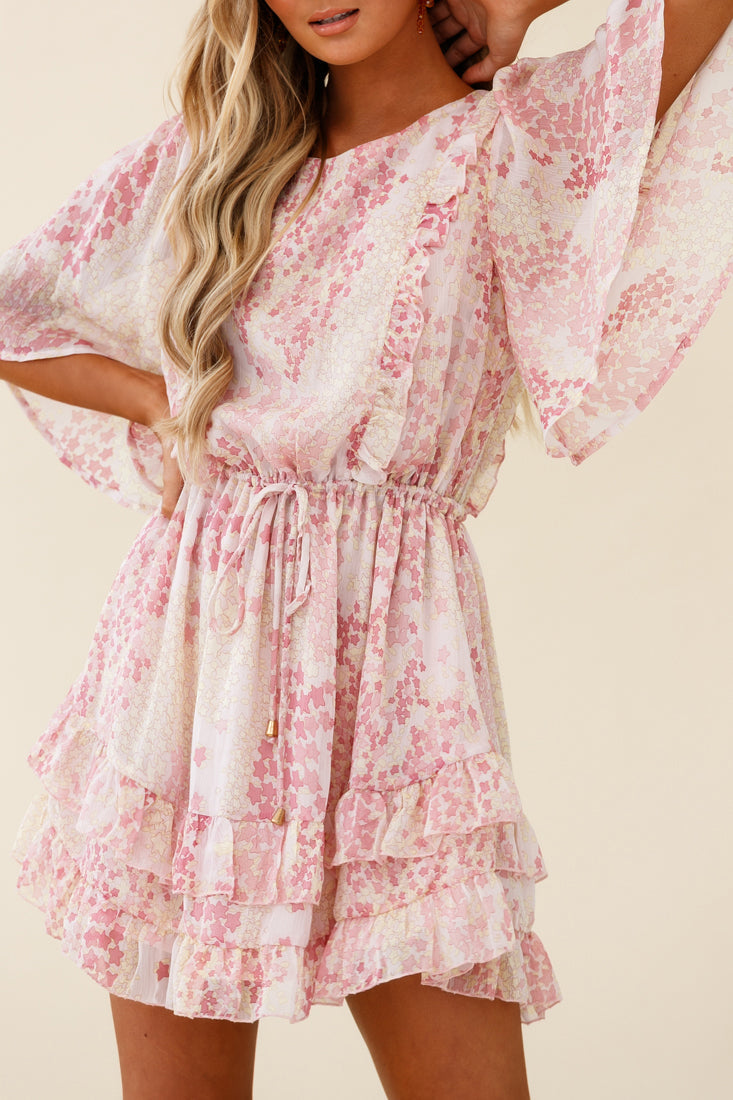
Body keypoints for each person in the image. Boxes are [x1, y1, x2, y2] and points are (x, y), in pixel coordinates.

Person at [1, 0, 731, 1097]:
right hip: (191, 680)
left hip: (398, 697)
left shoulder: (515, 142)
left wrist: (515, 4)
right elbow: (15, 311)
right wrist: (160, 400)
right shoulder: (228, 158)